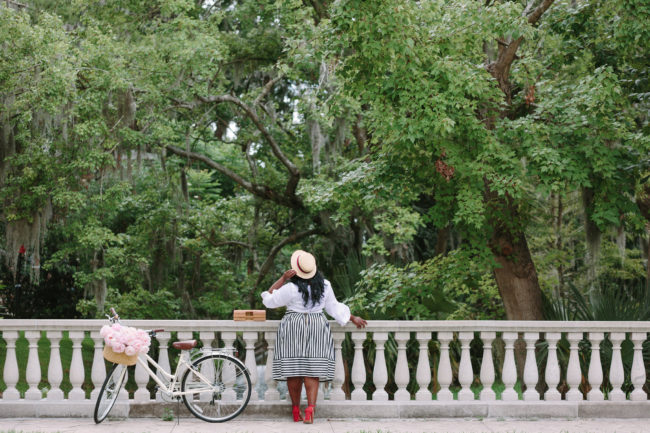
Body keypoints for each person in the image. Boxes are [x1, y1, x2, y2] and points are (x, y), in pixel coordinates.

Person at [261, 250, 367, 424]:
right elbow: (333, 307)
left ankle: (296, 411)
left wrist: (282, 279)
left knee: (293, 370)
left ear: (296, 269)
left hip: (293, 326)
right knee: (313, 370)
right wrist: (352, 317)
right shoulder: (324, 285)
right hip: (317, 326)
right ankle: (310, 409)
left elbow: (269, 299)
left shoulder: (290, 288)